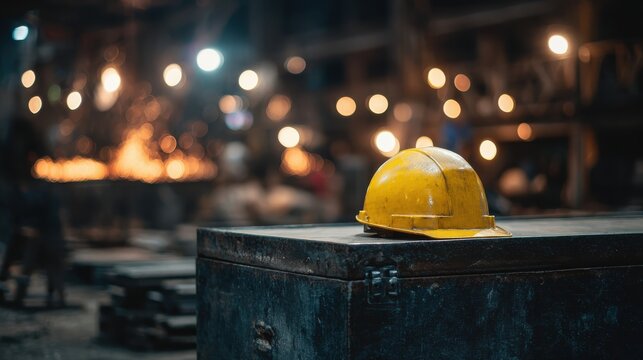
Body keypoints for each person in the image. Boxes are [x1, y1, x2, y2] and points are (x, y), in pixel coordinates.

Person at [0, 117, 66, 307]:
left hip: (45, 230)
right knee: (19, 243)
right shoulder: (15, 178)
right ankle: (10, 283)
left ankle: (54, 292)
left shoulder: (41, 190)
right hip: (25, 224)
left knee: (40, 247)